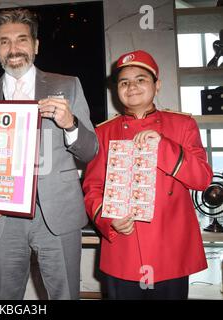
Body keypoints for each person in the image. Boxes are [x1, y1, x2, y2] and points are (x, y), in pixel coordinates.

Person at [0, 8, 98, 299]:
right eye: (4, 41)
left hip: (57, 215)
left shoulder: (67, 85)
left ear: (36, 45)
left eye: (21, 40)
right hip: (2, 217)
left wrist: (71, 124)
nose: (13, 49)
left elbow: (91, 151)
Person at [82, 50, 213, 299]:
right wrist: (108, 220)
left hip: (171, 251)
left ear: (157, 85)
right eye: (124, 82)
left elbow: (203, 179)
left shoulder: (183, 125)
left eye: (140, 79)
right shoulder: (103, 133)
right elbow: (93, 188)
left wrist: (163, 146)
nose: (132, 86)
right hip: (122, 248)